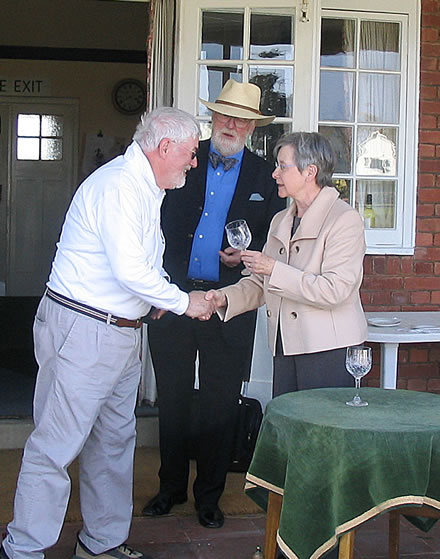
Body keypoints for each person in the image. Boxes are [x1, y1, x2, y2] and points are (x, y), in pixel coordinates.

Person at [0, 107, 215, 559]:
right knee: (56, 444)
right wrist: (180, 301)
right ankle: (22, 549)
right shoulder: (120, 185)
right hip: (84, 328)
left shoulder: (145, 186)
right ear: (165, 148)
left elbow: (139, 265)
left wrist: (153, 300)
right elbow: (131, 269)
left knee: (113, 444)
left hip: (116, 331)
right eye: (191, 154)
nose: (194, 163)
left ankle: (101, 544)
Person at [206, 131, 368, 558]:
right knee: (294, 455)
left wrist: (273, 269)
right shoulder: (281, 219)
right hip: (286, 350)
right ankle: (290, 544)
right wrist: (222, 298)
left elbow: (335, 289)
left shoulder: (344, 220)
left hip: (329, 354)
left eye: (283, 166)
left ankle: (328, 550)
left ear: (310, 172)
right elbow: (261, 282)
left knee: (324, 458)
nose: (274, 173)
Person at [143, 79, 284, 529]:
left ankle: (209, 496)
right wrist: (158, 290)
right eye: (224, 115)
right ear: (213, 118)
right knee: (174, 398)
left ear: (251, 126)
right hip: (174, 299)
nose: (231, 124)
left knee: (221, 402)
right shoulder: (185, 157)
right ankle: (169, 488)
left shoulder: (266, 175)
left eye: (241, 119)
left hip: (230, 304)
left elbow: (274, 240)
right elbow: (151, 224)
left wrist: (244, 256)